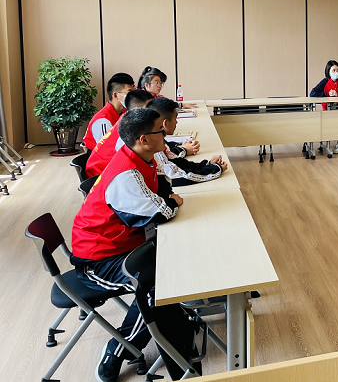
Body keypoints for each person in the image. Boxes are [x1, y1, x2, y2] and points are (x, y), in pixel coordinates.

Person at [70, 108, 186, 382]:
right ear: (144, 139)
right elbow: (162, 211)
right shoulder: (125, 173)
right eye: (161, 130)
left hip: (125, 245)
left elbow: (162, 192)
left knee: (174, 265)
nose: (166, 133)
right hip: (97, 261)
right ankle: (119, 350)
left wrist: (167, 199)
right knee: (157, 289)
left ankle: (175, 325)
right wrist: (171, 202)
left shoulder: (141, 158)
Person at [149, 97, 227, 185]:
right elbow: (177, 177)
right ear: (165, 123)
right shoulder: (154, 148)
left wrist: (206, 165)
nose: (176, 122)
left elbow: (177, 162)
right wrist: (215, 169)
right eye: (175, 118)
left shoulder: (159, 140)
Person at [86, 90, 154, 178]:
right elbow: (126, 162)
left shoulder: (126, 120)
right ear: (136, 109)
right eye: (148, 108)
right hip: (101, 174)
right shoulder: (128, 129)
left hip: (110, 169)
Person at [310, 60, 338, 155]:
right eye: (333, 70)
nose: (336, 72)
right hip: (328, 110)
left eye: (337, 70)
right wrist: (327, 94)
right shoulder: (324, 82)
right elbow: (312, 93)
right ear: (328, 72)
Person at [83, 73, 136, 151]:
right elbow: (106, 150)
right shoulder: (103, 121)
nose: (134, 96)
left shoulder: (124, 112)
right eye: (129, 92)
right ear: (115, 95)